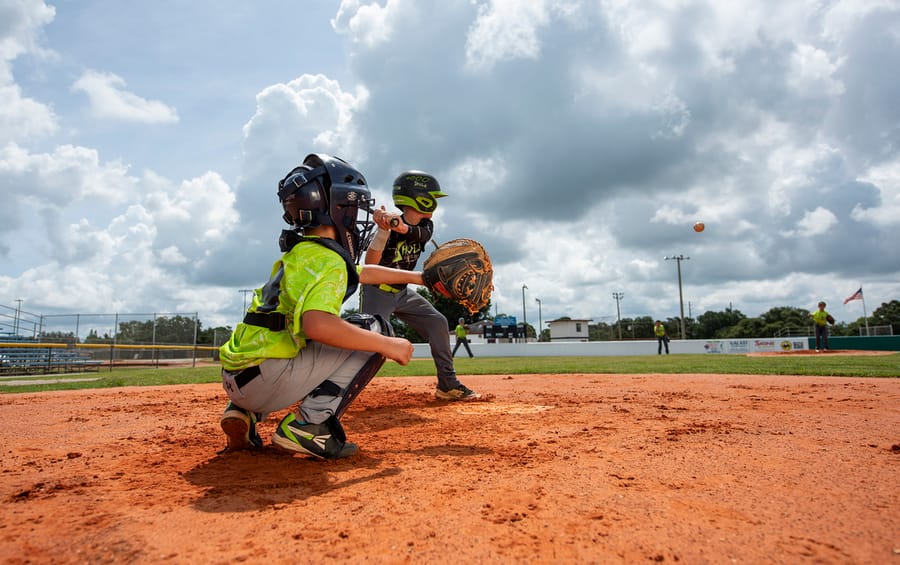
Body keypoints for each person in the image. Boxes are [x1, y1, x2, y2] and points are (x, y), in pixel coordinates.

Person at [218, 154, 426, 459]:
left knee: (288, 335)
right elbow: (319, 324)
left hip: (235, 378)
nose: (358, 218)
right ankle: (311, 426)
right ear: (336, 209)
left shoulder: (301, 253)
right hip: (267, 381)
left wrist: (421, 277)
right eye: (354, 208)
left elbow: (360, 273)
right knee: (374, 328)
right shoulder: (330, 261)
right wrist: (388, 344)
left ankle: (242, 412)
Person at [360, 171, 480, 400]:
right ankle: (332, 392)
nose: (434, 203)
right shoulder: (388, 224)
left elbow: (415, 234)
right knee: (367, 346)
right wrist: (383, 230)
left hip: (403, 292)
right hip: (377, 292)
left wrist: (399, 226)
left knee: (437, 322)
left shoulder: (426, 225)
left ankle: (448, 385)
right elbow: (370, 265)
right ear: (417, 198)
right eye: (431, 197)